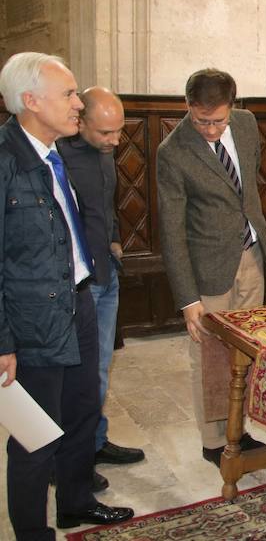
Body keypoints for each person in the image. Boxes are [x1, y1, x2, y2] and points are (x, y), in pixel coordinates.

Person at [0, 52, 134, 538]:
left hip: (78, 299)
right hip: (33, 321)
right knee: (35, 439)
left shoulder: (56, 156)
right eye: (69, 94)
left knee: (81, 410)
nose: (78, 103)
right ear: (30, 101)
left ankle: (76, 501)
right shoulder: (6, 161)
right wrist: (3, 341)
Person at [157, 68, 266, 466]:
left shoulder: (247, 124)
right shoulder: (172, 152)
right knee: (209, 356)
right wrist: (188, 299)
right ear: (187, 108)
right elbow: (171, 231)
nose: (210, 129)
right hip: (207, 268)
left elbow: (246, 185)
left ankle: (239, 430)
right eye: (201, 120)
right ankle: (213, 441)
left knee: (249, 350)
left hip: (250, 256)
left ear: (232, 108)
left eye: (217, 120)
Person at [58, 87, 146, 483]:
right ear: (80, 122)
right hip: (79, 283)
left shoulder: (106, 154)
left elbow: (104, 206)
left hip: (106, 272)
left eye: (119, 131)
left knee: (100, 370)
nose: (115, 141)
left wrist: (114, 238)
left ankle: (94, 441)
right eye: (105, 133)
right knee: (76, 377)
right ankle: (70, 461)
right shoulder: (58, 156)